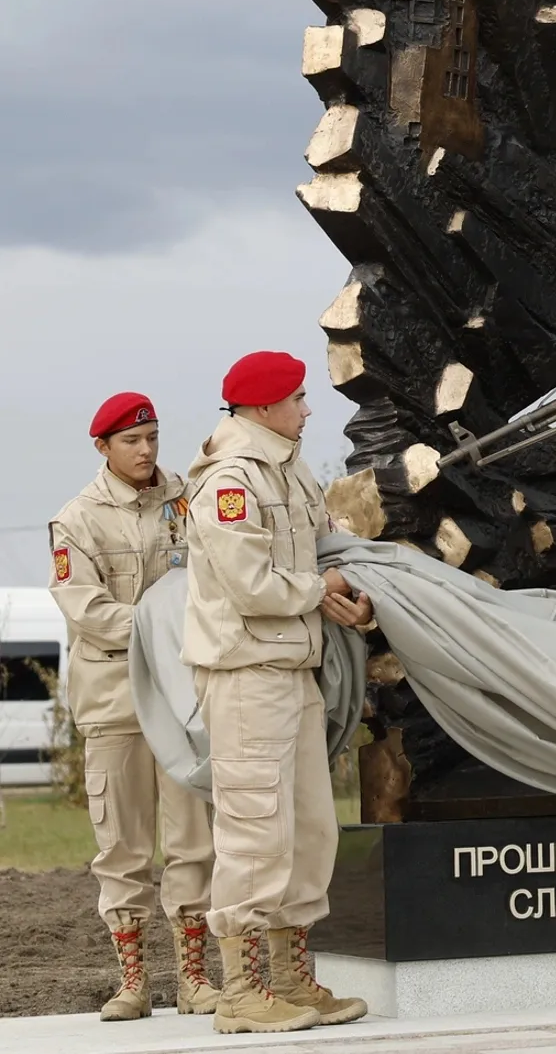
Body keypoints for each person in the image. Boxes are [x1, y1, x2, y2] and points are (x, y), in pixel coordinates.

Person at [182, 352, 372, 1034]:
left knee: (308, 829)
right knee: (254, 831)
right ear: (262, 407)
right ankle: (241, 993)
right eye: (297, 397)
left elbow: (320, 547)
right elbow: (251, 585)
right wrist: (319, 591)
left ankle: (291, 979)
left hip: (291, 668)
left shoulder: (283, 465)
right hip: (245, 673)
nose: (307, 408)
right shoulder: (229, 481)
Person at [48, 393, 220, 1021]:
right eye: (131, 441)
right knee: (121, 847)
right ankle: (133, 983)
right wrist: (161, 625)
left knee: (192, 840)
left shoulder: (186, 498)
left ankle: (195, 978)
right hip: (115, 699)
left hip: (181, 697)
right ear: (103, 448)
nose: (146, 450)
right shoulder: (78, 519)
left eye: (151, 437)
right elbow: (86, 610)